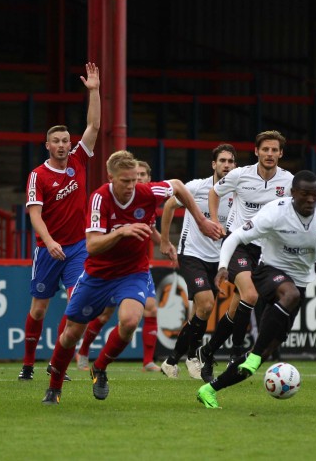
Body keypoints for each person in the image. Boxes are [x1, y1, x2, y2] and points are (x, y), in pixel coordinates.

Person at [41, 150, 222, 405]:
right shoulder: (99, 199)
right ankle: (54, 387)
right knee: (71, 333)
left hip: (132, 272)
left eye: (134, 179)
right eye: (125, 180)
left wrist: (201, 221)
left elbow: (178, 187)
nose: (131, 185)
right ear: (111, 177)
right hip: (98, 274)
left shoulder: (147, 192)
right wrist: (122, 232)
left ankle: (100, 367)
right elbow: (92, 246)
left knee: (129, 320)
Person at [196, 170, 316, 408]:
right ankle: (255, 353)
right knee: (290, 296)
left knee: (263, 355)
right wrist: (223, 267)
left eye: (315, 195)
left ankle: (209, 389)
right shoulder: (275, 212)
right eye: (305, 194)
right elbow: (234, 238)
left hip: (298, 283)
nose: (311, 200)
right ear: (292, 193)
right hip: (268, 272)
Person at [18, 62, 100, 381]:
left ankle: (57, 363)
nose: (64, 145)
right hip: (48, 250)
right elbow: (34, 214)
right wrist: (49, 242)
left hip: (78, 248)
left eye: (67, 140)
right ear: (48, 146)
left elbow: (93, 126)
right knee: (38, 310)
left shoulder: (78, 160)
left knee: (76, 304)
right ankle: (27, 364)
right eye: (58, 142)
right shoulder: (38, 176)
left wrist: (94, 91)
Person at [195, 130, 293, 382]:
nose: (270, 154)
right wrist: (215, 221)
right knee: (250, 294)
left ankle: (208, 351)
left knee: (239, 303)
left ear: (281, 153)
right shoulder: (240, 175)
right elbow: (214, 192)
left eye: (274, 150)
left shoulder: (288, 181)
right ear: (256, 151)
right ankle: (237, 351)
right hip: (240, 243)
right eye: (265, 149)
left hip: (268, 250)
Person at [74, 159, 163, 372]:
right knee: (104, 314)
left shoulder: (146, 201)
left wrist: (168, 246)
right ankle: (83, 351)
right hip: (112, 269)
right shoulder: (106, 199)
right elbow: (94, 242)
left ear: (148, 179)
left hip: (137, 268)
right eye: (133, 176)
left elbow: (151, 230)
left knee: (150, 309)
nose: (137, 180)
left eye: (141, 176)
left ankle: (148, 362)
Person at [159, 144, 237, 378]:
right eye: (222, 161)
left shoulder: (238, 193)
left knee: (199, 313)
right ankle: (194, 357)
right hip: (192, 253)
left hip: (219, 258)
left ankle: (172, 360)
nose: (226, 165)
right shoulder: (196, 187)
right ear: (214, 164)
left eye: (230, 162)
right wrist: (164, 240)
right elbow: (169, 205)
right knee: (205, 305)